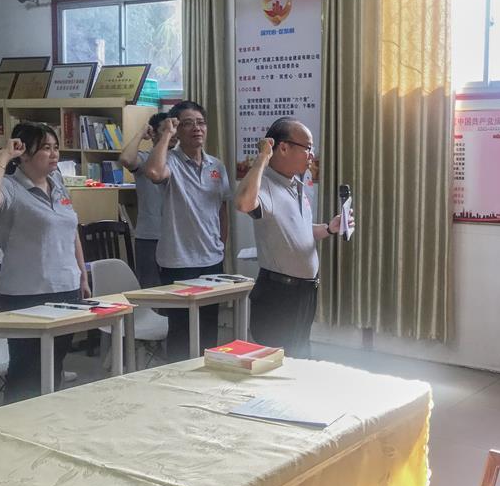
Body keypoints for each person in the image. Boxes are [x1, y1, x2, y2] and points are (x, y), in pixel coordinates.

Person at [234, 117, 353, 359]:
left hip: (304, 292)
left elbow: (301, 230)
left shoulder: (296, 185)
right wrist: (262, 157)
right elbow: (243, 203)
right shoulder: (264, 184)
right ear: (283, 148)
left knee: (300, 357)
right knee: (277, 363)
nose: (311, 155)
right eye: (307, 147)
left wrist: (329, 228)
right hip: (279, 294)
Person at [0, 122, 90, 402]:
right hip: (27, 294)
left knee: (54, 366)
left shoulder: (57, 183)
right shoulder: (10, 187)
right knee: (26, 371)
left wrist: (82, 275)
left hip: (66, 289)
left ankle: (47, 420)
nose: (54, 154)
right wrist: (3, 154)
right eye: (46, 148)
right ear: (23, 153)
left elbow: (72, 231)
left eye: (56, 147)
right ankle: (16, 424)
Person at [143, 101, 231, 361]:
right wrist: (166, 135)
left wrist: (221, 245)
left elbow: (222, 210)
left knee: (208, 329)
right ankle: (178, 380)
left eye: (201, 123)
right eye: (188, 123)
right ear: (177, 129)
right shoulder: (169, 160)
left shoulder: (216, 166)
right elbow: (154, 172)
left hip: (211, 259)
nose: (197, 128)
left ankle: (206, 378)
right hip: (178, 261)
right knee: (181, 331)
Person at [118, 111, 179, 288]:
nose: (171, 134)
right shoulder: (146, 159)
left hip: (176, 236)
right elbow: (126, 159)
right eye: (165, 129)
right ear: (153, 133)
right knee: (151, 287)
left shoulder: (180, 160)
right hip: (150, 236)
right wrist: (141, 133)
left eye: (173, 129)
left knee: (177, 288)